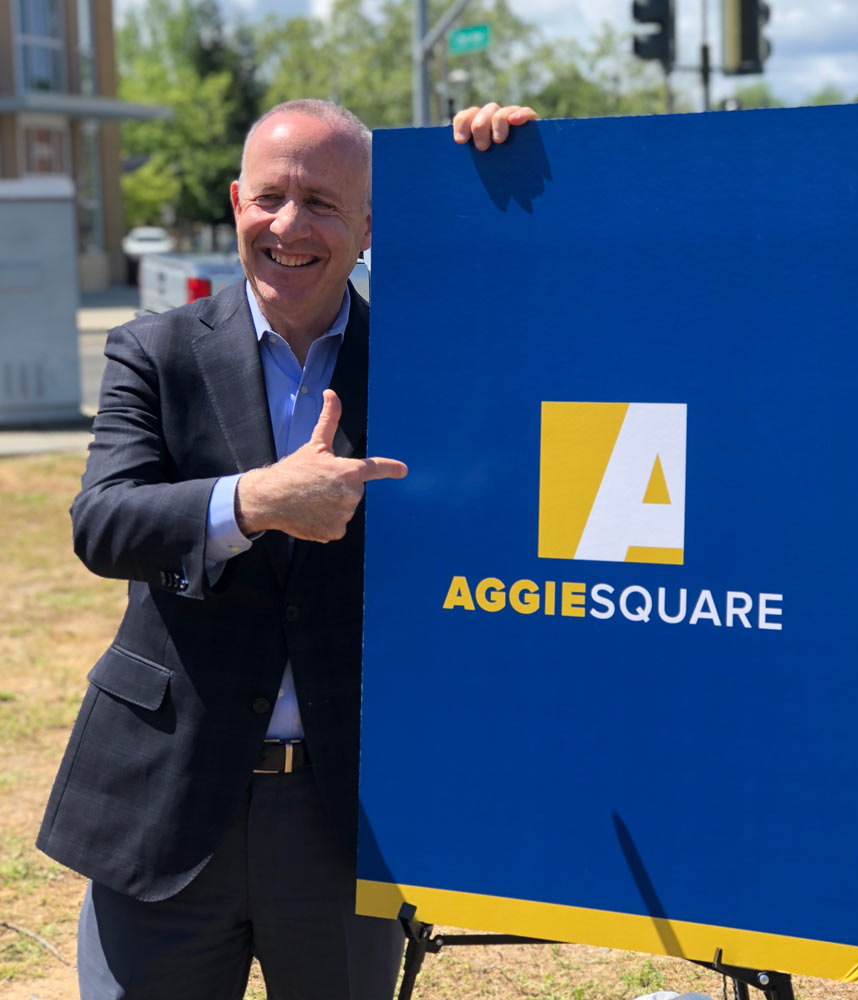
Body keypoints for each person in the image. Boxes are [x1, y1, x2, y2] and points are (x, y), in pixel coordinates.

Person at [36, 98, 537, 1000]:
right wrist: (257, 502)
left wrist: (492, 169)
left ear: (372, 226)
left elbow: (540, 333)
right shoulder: (155, 351)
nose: (289, 225)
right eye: (270, 196)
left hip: (341, 820)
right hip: (169, 808)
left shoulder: (429, 362)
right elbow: (103, 522)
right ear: (236, 202)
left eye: (323, 203)